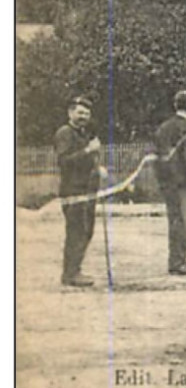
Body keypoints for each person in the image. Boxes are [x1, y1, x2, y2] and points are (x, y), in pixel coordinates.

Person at [153, 90, 186, 276]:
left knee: (175, 220)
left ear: (176, 105)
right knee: (183, 221)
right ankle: (178, 262)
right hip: (185, 183)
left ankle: (177, 260)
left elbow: (156, 156)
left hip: (167, 182)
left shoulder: (163, 127)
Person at [55, 95, 106, 288]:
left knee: (86, 231)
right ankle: (70, 274)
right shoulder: (65, 133)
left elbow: (86, 160)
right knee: (76, 231)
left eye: (87, 113)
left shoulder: (84, 134)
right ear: (70, 112)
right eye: (80, 112)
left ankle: (75, 269)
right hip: (73, 191)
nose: (84, 116)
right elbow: (64, 161)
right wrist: (88, 151)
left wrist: (97, 167)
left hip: (87, 190)